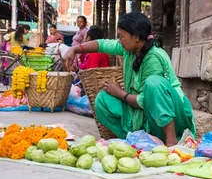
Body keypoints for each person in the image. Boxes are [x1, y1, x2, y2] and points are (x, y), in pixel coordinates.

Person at [63, 12, 195, 146]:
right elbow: (102, 44)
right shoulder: (129, 49)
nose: (119, 41)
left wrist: (120, 94)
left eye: (122, 36)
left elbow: (147, 100)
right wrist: (75, 49)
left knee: (154, 83)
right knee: (102, 101)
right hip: (144, 113)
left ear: (136, 37)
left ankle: (171, 141)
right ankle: (136, 140)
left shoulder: (154, 57)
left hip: (172, 116)